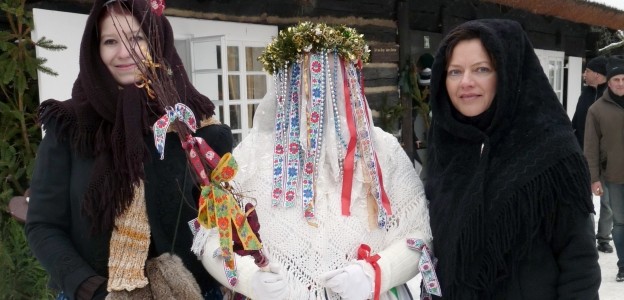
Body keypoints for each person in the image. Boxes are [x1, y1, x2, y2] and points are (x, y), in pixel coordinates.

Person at [200, 22, 435, 299]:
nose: (318, 98)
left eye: (332, 84)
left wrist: (375, 274)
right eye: (305, 84)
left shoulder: (383, 151)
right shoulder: (254, 153)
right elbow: (208, 237)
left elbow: (420, 233)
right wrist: (249, 278)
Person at [25, 0, 233, 299]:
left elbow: (222, 215)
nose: (124, 53)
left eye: (137, 38)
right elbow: (43, 225)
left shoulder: (190, 123)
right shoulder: (70, 127)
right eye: (110, 41)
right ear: (94, 49)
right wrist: (87, 287)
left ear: (157, 42)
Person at [426, 19, 601, 299]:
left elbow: (578, 262)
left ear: (508, 72)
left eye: (481, 69)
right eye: (454, 72)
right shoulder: (445, 147)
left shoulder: (553, 153)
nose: (466, 82)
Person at [585, 55, 624, 282]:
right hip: (614, 176)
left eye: (623, 79)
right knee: (620, 223)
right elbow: (590, 147)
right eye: (616, 79)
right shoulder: (596, 110)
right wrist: (594, 178)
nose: (620, 83)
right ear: (608, 82)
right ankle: (623, 265)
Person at [571, 55, 614, 253]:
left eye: (587, 71)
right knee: (581, 196)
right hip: (582, 155)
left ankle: (603, 238)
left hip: (607, 158)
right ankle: (583, 235)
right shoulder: (585, 94)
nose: (584, 74)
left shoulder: (614, 97)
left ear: (597, 74)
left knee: (607, 200)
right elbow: (576, 122)